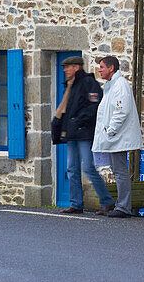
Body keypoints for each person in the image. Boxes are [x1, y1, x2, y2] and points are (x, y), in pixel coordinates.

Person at [53, 55, 114, 215]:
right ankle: (76, 204)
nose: (65, 70)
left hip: (85, 133)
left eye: (68, 67)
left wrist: (78, 121)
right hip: (72, 134)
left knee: (88, 167)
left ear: (76, 67)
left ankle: (107, 202)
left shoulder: (88, 83)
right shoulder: (70, 85)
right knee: (71, 168)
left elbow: (94, 106)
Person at [92, 55, 143, 218]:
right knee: (117, 170)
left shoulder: (119, 85)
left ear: (111, 68)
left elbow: (121, 111)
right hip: (114, 137)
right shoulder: (112, 85)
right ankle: (122, 205)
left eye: (102, 67)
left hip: (117, 137)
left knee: (120, 171)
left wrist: (110, 130)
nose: (99, 70)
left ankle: (123, 207)